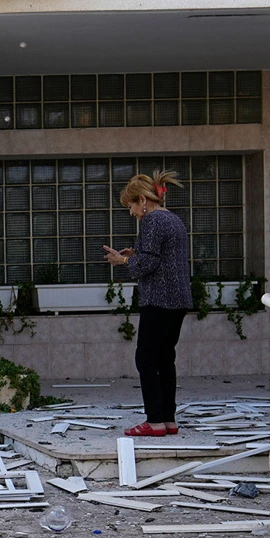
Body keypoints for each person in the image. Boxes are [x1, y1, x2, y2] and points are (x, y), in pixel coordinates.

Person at [102, 170, 191, 437]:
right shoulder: (172, 219)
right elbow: (162, 256)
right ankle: (168, 419)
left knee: (146, 358)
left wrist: (124, 261)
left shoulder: (152, 221)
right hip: (178, 299)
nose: (131, 212)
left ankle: (154, 421)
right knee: (165, 358)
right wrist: (137, 253)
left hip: (159, 299)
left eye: (130, 205)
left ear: (142, 199)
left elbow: (149, 265)